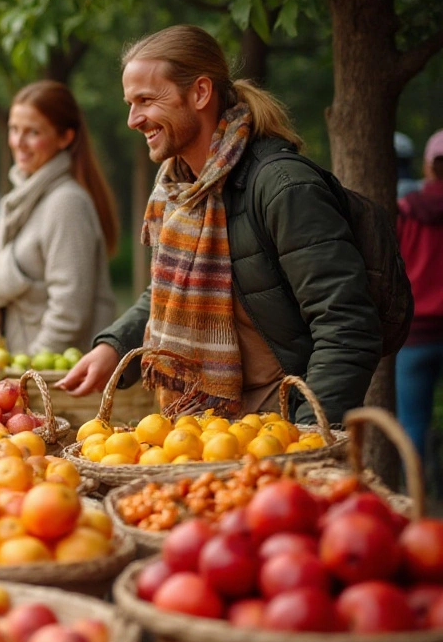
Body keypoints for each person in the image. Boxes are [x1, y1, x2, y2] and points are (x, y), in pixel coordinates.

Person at [59, 25, 381, 427]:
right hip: (202, 429)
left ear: (200, 93)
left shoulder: (283, 187)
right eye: (129, 103)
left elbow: (346, 322)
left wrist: (309, 432)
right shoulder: (176, 188)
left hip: (280, 427)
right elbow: (169, 287)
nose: (132, 119)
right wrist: (114, 347)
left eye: (146, 100)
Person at [0, 81, 119, 355]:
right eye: (14, 129)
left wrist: (30, 370)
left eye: (33, 132)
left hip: (56, 382)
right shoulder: (27, 197)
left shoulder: (66, 203)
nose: (18, 142)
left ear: (65, 137)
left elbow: (69, 311)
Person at [396, 129, 443, 467]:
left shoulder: (405, 210)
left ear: (428, 167)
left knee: (412, 423)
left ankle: (414, 501)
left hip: (414, 336)